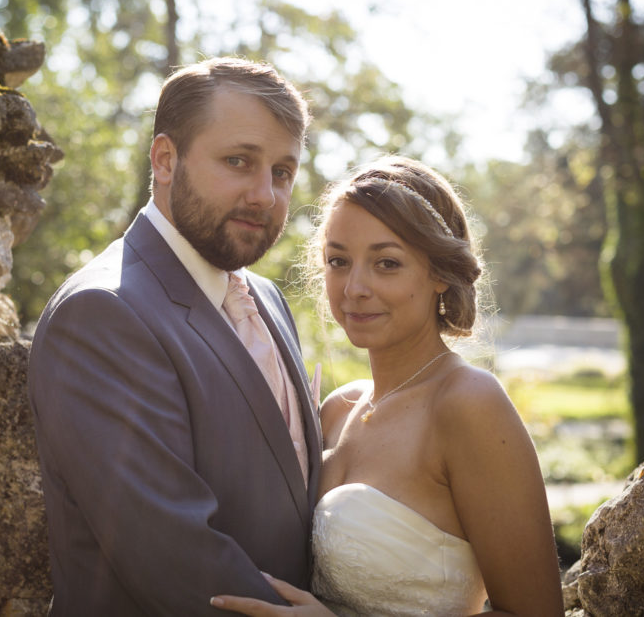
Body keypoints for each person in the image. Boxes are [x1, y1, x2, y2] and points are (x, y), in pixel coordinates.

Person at [28, 57, 323, 616]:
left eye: (282, 172)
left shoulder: (268, 300)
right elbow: (182, 569)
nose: (265, 194)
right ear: (165, 159)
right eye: (239, 161)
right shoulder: (101, 315)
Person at [211, 156, 563, 616]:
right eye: (339, 260)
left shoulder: (468, 404)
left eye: (386, 263)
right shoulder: (337, 410)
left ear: (439, 273)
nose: (354, 287)